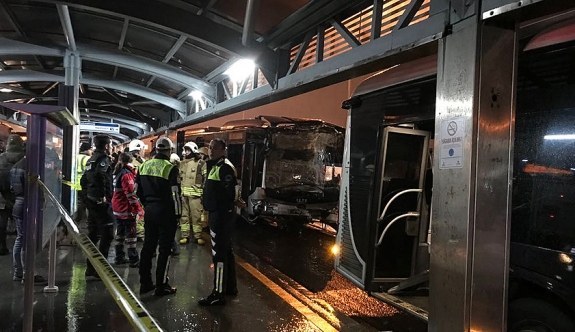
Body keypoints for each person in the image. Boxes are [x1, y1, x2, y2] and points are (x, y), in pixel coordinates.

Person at [137, 136, 181, 296]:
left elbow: (138, 191)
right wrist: (178, 215)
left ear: (156, 149)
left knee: (148, 248)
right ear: (169, 151)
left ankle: (145, 283)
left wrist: (147, 205)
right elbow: (175, 196)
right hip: (166, 213)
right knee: (164, 250)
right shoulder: (171, 168)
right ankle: (162, 286)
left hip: (150, 211)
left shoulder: (143, 166)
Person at [198, 138, 239, 306]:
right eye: (210, 147)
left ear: (223, 150)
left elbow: (229, 195)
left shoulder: (225, 168)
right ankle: (230, 287)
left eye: (214, 148)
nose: (211, 151)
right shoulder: (214, 166)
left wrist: (215, 208)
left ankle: (218, 293)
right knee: (226, 251)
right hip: (217, 214)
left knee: (219, 255)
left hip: (221, 216)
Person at [80, 135, 115, 280]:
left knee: (93, 235)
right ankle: (101, 269)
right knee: (107, 234)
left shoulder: (91, 159)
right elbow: (102, 177)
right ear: (106, 146)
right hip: (100, 203)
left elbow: (83, 180)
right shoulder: (103, 160)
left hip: (91, 201)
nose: (111, 147)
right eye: (111, 145)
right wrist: (106, 197)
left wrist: (86, 197)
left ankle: (90, 268)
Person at [10, 155, 46, 284]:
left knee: (20, 238)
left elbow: (10, 188)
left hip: (18, 205)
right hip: (28, 206)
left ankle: (18, 272)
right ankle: (27, 273)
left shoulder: (16, 166)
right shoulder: (30, 168)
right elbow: (34, 190)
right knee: (27, 240)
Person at [111, 152, 142, 267]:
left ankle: (119, 257)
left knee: (120, 233)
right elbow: (130, 194)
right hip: (125, 208)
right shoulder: (127, 174)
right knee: (131, 234)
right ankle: (133, 259)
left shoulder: (118, 171)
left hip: (117, 207)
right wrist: (138, 209)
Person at [0, 134, 25, 255]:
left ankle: (2, 247)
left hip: (2, 196)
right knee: (23, 224)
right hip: (19, 196)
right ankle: (24, 248)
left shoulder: (1, 158)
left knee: (1, 223)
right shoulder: (24, 159)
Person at [178, 142, 206, 245]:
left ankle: (197, 236)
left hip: (196, 195)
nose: (186, 152)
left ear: (194, 150)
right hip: (184, 195)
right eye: (185, 150)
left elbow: (205, 179)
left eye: (188, 150)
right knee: (184, 216)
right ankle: (185, 235)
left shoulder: (201, 163)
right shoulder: (182, 163)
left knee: (196, 216)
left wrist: (204, 193)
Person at [128, 139, 146, 242]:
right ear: (138, 150)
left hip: (131, 192)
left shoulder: (128, 161)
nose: (144, 151)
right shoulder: (139, 163)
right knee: (140, 213)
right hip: (137, 192)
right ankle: (139, 234)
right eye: (143, 149)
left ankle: (131, 233)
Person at [74, 142, 92, 225]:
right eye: (90, 149)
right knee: (84, 201)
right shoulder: (87, 158)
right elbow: (90, 171)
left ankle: (77, 217)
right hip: (83, 183)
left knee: (78, 201)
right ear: (87, 150)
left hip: (75, 182)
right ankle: (80, 218)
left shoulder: (75, 156)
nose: (91, 151)